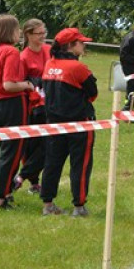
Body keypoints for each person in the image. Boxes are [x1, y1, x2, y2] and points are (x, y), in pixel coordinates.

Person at [40, 27, 98, 217]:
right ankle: (79, 206)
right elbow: (93, 93)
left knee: (52, 163)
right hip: (79, 123)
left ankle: (47, 204)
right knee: (80, 165)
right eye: (81, 42)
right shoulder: (78, 68)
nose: (84, 45)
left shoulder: (49, 64)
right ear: (71, 46)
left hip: (54, 122)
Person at [0, 14, 34, 210]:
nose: (19, 32)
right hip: (11, 105)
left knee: (6, 150)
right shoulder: (10, 52)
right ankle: (0, 196)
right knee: (12, 153)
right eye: (17, 28)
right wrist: (27, 85)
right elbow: (9, 85)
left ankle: (6, 191)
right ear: (8, 31)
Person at [12, 19, 51, 196]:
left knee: (47, 143)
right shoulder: (23, 57)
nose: (43, 36)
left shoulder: (49, 51)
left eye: (44, 32)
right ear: (28, 35)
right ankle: (33, 182)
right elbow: (20, 83)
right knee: (32, 145)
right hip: (32, 106)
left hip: (50, 104)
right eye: (39, 33)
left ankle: (22, 177)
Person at [119, 21, 134, 111]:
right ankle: (127, 109)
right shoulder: (130, 38)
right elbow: (123, 55)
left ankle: (128, 110)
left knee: (133, 91)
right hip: (130, 68)